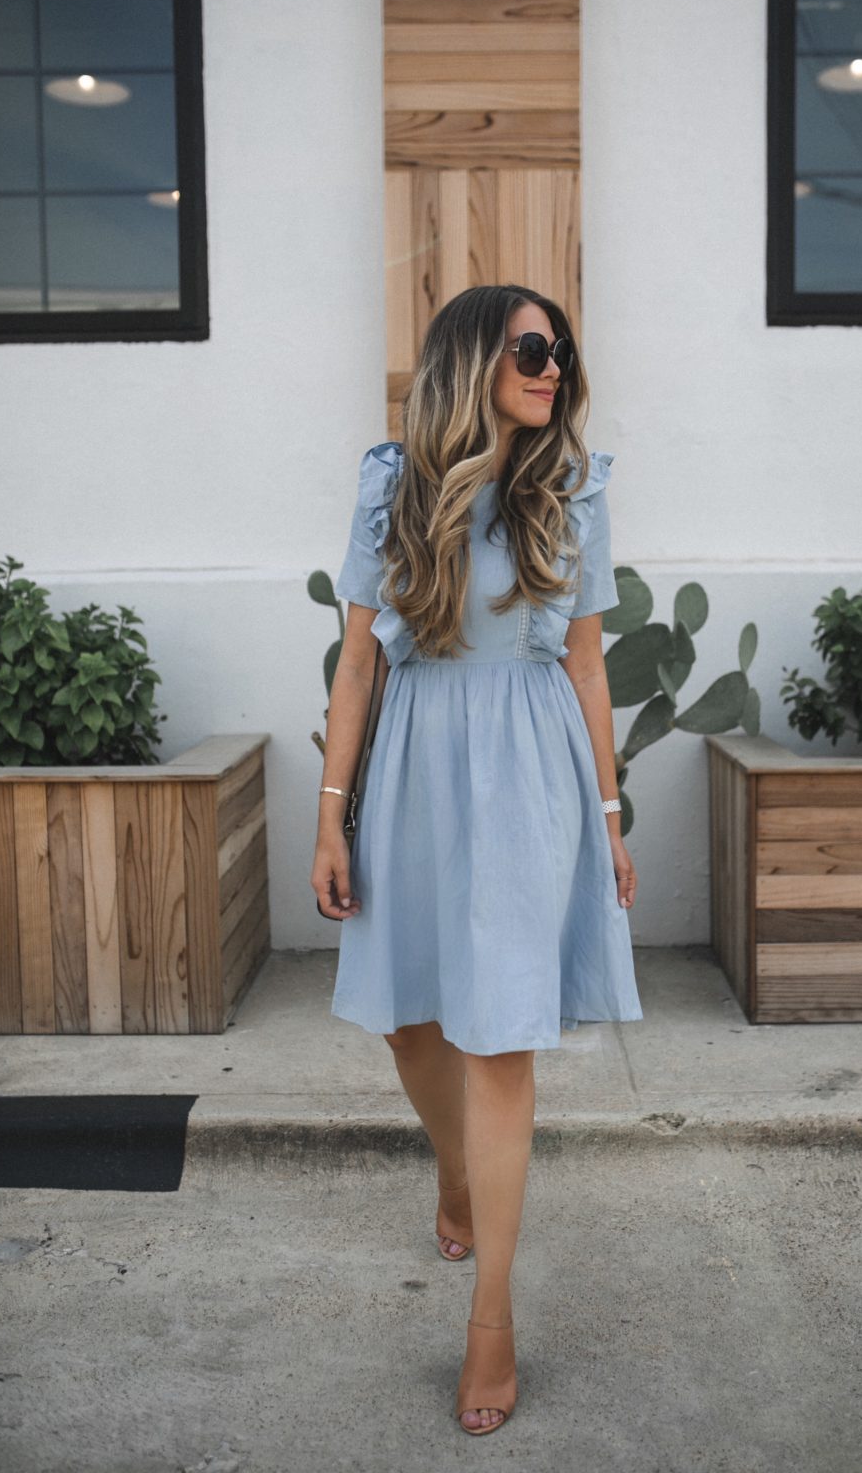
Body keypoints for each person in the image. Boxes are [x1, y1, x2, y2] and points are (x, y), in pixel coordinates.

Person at [310, 283, 643, 1436]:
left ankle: (490, 1321)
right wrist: (327, 817)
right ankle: (453, 1170)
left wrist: (608, 816)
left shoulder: (573, 491)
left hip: (528, 771)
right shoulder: (389, 484)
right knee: (413, 1020)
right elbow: (358, 664)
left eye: (560, 351)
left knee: (498, 1036)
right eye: (531, 350)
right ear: (470, 361)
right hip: (410, 766)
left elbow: (590, 665)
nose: (553, 368)